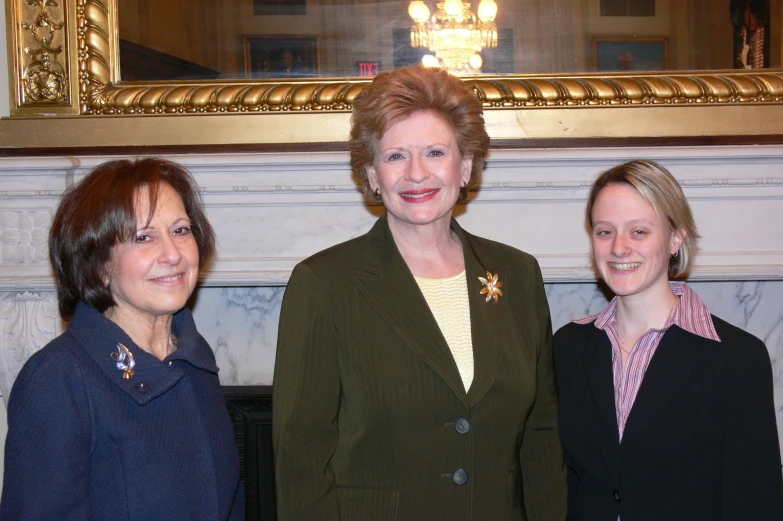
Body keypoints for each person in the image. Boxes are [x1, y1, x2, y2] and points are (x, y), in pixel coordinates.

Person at [273, 65, 567, 521]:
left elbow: (542, 435)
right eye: (394, 157)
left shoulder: (518, 274)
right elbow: (301, 460)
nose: (416, 174)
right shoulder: (324, 285)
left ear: (464, 166)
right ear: (371, 174)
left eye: (434, 152)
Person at [1, 158, 244, 520]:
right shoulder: (59, 379)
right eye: (143, 237)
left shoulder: (193, 356)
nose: (173, 254)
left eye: (180, 230)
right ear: (98, 266)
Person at [554, 159, 783, 520]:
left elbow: (755, 502)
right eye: (604, 231)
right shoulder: (566, 347)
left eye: (639, 232)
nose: (619, 248)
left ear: (676, 238)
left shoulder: (737, 359)